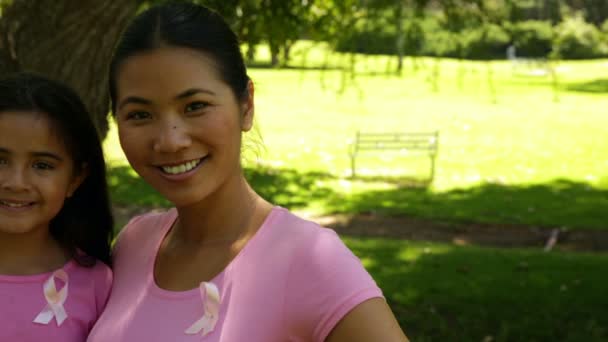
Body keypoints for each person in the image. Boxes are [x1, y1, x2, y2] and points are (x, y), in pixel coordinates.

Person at [88, 3, 408, 341]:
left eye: (195, 106)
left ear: (246, 105)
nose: (170, 140)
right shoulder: (133, 244)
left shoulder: (309, 260)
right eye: (140, 114)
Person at [0, 73, 114, 342]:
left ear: (75, 179)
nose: (16, 182)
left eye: (42, 165)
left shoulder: (97, 284)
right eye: (0, 160)